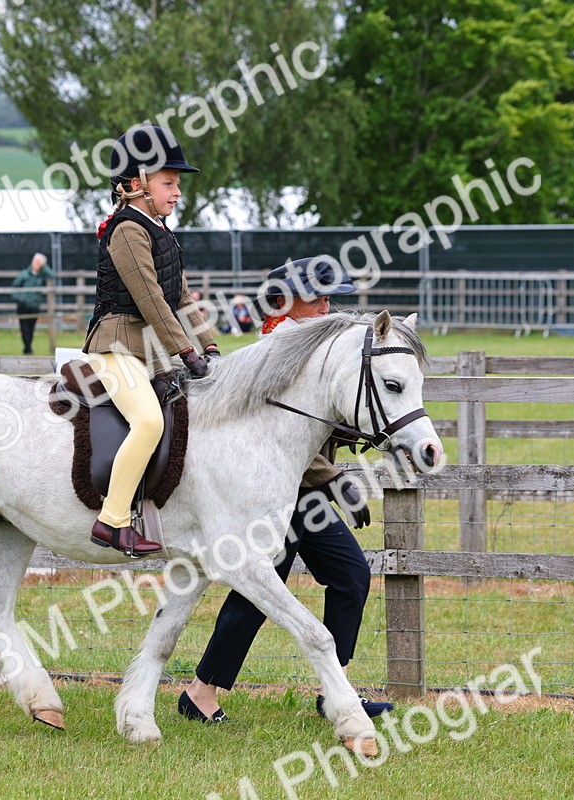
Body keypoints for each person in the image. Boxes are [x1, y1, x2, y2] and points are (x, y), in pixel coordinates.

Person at [178, 255, 394, 724]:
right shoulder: (275, 350)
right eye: (317, 298)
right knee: (263, 590)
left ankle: (332, 691)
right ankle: (203, 692)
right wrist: (335, 480)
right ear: (286, 301)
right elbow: (278, 438)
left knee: (348, 577)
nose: (326, 307)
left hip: (299, 493)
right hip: (271, 493)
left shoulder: (309, 347)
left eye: (329, 298)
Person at [84, 125, 218, 556]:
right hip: (115, 346)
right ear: (136, 184)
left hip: (149, 351)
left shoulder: (162, 232)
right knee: (148, 421)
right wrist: (186, 351)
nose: (177, 192)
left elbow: (181, 297)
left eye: (178, 184)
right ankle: (113, 519)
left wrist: (210, 347)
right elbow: (151, 298)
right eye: (169, 183)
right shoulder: (126, 230)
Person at [11, 252, 54, 354]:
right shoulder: (24, 274)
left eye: (40, 263)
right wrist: (20, 298)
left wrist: (44, 266)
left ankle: (28, 347)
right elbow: (14, 288)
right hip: (23, 306)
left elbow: (52, 276)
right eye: (36, 262)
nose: (37, 264)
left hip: (34, 306)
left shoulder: (42, 275)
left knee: (31, 328)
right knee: (24, 328)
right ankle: (27, 347)